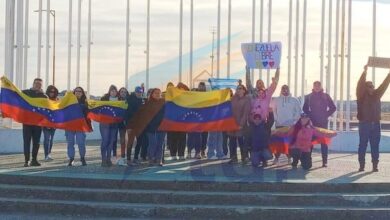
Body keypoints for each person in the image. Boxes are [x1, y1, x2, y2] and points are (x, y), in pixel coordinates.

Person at [356, 65, 390, 172]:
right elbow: (360, 85)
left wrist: (389, 74)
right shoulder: (361, 95)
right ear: (365, 88)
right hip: (364, 124)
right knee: (363, 144)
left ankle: (375, 165)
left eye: (373, 86)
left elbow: (384, 85)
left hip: (376, 124)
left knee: (375, 145)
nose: (372, 87)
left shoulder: (377, 95)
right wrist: (364, 72)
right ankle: (362, 165)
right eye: (370, 86)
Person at [303, 81, 336, 167]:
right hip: (312, 123)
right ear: (313, 87)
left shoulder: (326, 96)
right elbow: (304, 108)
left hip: (323, 123)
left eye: (318, 85)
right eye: (315, 85)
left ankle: (324, 161)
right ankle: (307, 160)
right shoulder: (309, 96)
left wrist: (326, 114)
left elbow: (333, 107)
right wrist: (310, 115)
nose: (317, 87)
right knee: (310, 142)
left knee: (324, 142)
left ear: (321, 87)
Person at [270, 85, 301, 165]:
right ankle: (276, 158)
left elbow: (298, 112)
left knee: (288, 143)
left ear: (289, 89)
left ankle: (289, 158)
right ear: (281, 90)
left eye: (286, 88)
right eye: (283, 88)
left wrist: (293, 121)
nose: (285, 90)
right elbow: (273, 110)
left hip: (290, 126)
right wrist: (277, 120)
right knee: (278, 143)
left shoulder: (295, 100)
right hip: (279, 125)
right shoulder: (276, 100)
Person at [22, 78, 47, 167]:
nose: (38, 85)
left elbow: (48, 107)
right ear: (33, 84)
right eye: (36, 83)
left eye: (40, 84)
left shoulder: (43, 96)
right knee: (26, 142)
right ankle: (26, 160)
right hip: (27, 122)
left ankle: (34, 160)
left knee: (36, 143)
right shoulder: (25, 93)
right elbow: (15, 95)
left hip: (38, 123)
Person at [65, 87, 91, 166]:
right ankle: (71, 159)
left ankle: (82, 158)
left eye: (80, 91)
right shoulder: (68, 101)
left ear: (82, 93)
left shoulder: (85, 103)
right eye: (76, 91)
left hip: (80, 126)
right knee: (70, 143)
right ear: (74, 92)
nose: (78, 92)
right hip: (70, 125)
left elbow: (88, 114)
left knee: (81, 142)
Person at [228, 85, 251, 164]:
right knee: (232, 141)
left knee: (241, 141)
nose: (238, 90)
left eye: (240, 88)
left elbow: (246, 113)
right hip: (231, 123)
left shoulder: (247, 99)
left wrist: (241, 124)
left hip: (241, 124)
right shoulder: (233, 98)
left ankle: (244, 157)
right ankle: (233, 157)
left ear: (244, 90)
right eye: (237, 88)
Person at [167, 83, 189, 160]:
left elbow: (188, 90)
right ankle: (173, 154)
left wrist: (181, 85)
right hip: (173, 121)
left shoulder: (185, 98)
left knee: (182, 138)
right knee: (173, 138)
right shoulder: (169, 98)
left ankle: (181, 154)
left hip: (183, 121)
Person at [126, 86, 148, 165]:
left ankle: (135, 158)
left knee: (139, 142)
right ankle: (128, 159)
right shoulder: (129, 100)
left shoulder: (143, 101)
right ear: (135, 92)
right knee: (130, 142)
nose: (139, 94)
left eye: (140, 92)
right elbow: (127, 114)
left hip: (140, 125)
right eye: (138, 92)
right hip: (131, 125)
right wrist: (128, 126)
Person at [99, 85, 119, 167]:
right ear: (109, 91)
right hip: (105, 123)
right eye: (112, 91)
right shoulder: (104, 99)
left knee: (111, 142)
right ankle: (103, 159)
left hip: (114, 123)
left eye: (115, 91)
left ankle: (108, 159)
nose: (113, 92)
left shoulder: (119, 100)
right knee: (105, 141)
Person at [145, 88, 165, 166]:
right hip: (151, 128)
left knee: (160, 144)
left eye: (159, 93)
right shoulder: (148, 103)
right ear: (152, 94)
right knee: (153, 143)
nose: (157, 94)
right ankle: (150, 158)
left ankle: (159, 159)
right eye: (155, 93)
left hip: (162, 127)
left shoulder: (163, 103)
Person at [42, 85, 59, 161]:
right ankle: (46, 155)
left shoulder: (57, 100)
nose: (52, 93)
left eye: (53, 91)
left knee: (51, 139)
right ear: (47, 92)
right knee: (47, 139)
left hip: (53, 122)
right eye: (50, 91)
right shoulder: (45, 99)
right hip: (45, 122)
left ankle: (49, 154)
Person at [115, 87, 130, 166]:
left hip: (129, 123)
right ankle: (122, 157)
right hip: (120, 124)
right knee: (122, 141)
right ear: (119, 93)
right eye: (122, 91)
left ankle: (128, 158)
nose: (123, 93)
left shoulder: (130, 101)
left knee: (129, 141)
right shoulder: (117, 101)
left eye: (124, 92)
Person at [197, 82, 209, 158]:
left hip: (205, 119)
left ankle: (203, 151)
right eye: (200, 86)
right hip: (197, 118)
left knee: (205, 136)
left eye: (202, 86)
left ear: (205, 87)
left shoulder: (208, 95)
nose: (201, 88)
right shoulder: (194, 94)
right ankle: (198, 151)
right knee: (197, 136)